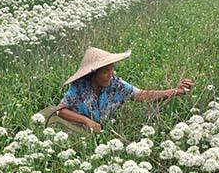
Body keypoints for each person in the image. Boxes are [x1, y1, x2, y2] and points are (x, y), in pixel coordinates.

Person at [41, 47, 193, 134]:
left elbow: (141, 95)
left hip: (97, 133)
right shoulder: (79, 86)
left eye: (112, 69)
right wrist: (86, 120)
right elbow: (60, 110)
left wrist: (174, 91)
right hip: (73, 128)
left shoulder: (115, 84)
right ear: (94, 73)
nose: (111, 74)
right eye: (106, 71)